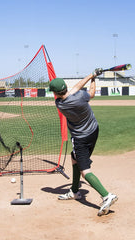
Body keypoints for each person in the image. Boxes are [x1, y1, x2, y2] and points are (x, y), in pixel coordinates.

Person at [49, 69, 118, 216]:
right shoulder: (81, 96)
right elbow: (87, 92)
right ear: (65, 87)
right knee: (74, 158)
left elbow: (74, 89)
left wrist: (91, 75)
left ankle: (107, 196)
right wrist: (93, 78)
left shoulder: (59, 103)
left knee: (84, 170)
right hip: (93, 131)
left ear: (56, 93)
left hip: (80, 138)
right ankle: (74, 191)